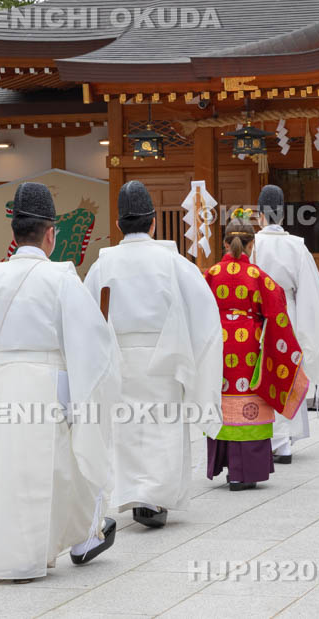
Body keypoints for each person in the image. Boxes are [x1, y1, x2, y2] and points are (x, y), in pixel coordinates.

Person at [0, 182, 120, 582]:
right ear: (50, 234)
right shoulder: (61, 278)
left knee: (6, 468)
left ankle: (10, 551)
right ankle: (67, 540)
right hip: (50, 384)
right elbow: (94, 344)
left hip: (5, 384)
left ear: (14, 233)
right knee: (59, 468)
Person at [83, 181, 222, 528]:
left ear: (118, 225)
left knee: (126, 429)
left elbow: (88, 318)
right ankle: (156, 498)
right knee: (162, 429)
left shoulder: (103, 264)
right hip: (166, 355)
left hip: (119, 357)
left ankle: (132, 494)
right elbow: (206, 314)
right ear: (154, 221)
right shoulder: (173, 262)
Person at [205, 210, 303, 491]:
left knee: (224, 399)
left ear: (224, 244)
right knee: (248, 399)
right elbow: (278, 314)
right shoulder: (259, 276)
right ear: (252, 245)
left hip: (219, 344)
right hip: (250, 343)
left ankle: (227, 466)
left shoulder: (210, 274)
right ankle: (243, 472)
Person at [251, 185, 319, 464]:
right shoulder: (297, 246)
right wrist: (309, 332)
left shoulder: (252, 244)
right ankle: (285, 444)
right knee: (288, 372)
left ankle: (265, 436)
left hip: (258, 318)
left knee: (260, 375)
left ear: (260, 215)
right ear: (282, 215)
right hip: (288, 315)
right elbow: (311, 293)